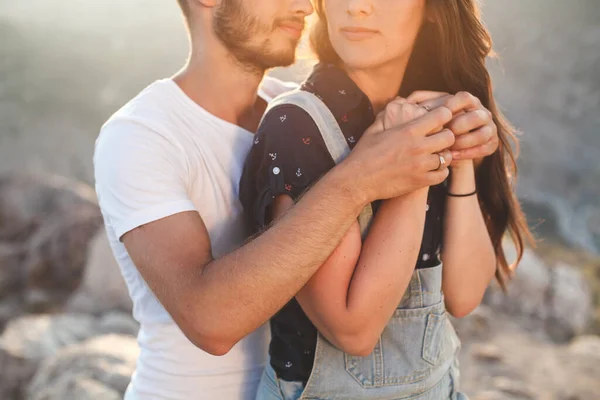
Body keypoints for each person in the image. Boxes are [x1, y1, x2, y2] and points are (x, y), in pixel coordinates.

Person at [92, 0, 464, 398]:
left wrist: (449, 137)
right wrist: (358, 180)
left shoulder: (299, 112)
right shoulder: (140, 136)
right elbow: (210, 321)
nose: (305, 6)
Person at [239, 0, 534, 399]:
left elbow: (463, 296)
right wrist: (413, 165)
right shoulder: (299, 127)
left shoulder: (431, 107)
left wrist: (459, 159)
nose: (356, 8)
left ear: (432, 9)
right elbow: (352, 330)